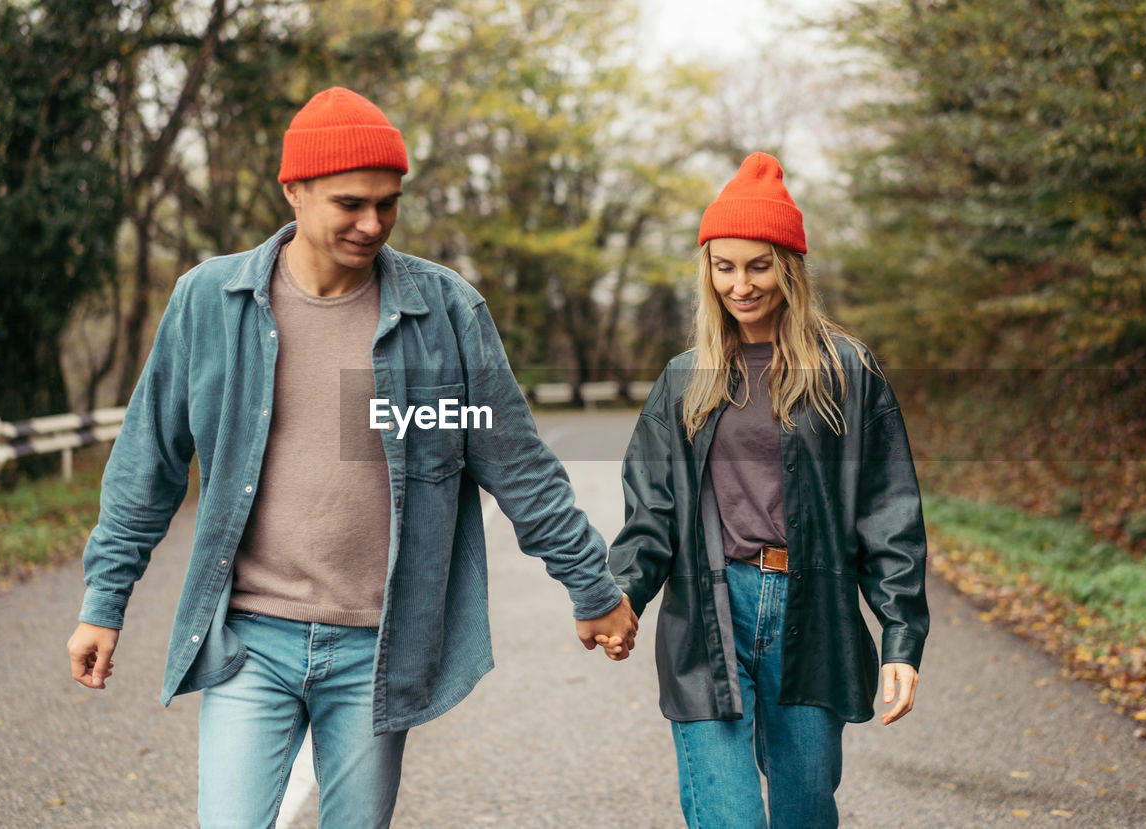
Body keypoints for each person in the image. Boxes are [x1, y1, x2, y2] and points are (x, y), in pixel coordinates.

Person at [66, 87, 637, 829]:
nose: (372, 223)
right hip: (250, 639)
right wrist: (103, 603)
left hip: (378, 645)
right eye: (350, 203)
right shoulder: (211, 303)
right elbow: (146, 466)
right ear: (294, 190)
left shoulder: (443, 315)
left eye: (388, 203)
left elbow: (517, 465)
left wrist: (590, 585)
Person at [608, 152, 928, 828]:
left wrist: (901, 635)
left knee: (804, 814)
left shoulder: (846, 370)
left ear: (789, 267)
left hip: (814, 615)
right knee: (731, 817)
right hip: (708, 608)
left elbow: (887, 510)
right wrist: (621, 594)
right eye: (724, 265)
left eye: (759, 265)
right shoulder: (683, 379)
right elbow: (651, 511)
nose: (740, 283)